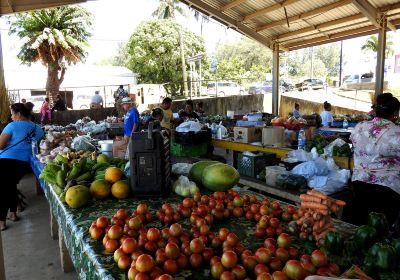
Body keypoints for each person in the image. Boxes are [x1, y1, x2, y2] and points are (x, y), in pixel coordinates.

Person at [350, 93, 400, 226]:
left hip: (359, 185)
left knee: (362, 228)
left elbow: (354, 141)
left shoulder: (359, 126)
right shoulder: (396, 133)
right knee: (380, 229)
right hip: (387, 191)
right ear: (395, 113)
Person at [0, 103, 44, 230]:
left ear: (19, 114)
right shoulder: (38, 128)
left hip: (5, 161)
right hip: (24, 164)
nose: (12, 117)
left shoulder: (12, 126)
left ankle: (1, 221)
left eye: (13, 114)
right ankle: (13, 213)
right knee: (10, 185)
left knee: (3, 189)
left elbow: (0, 145)